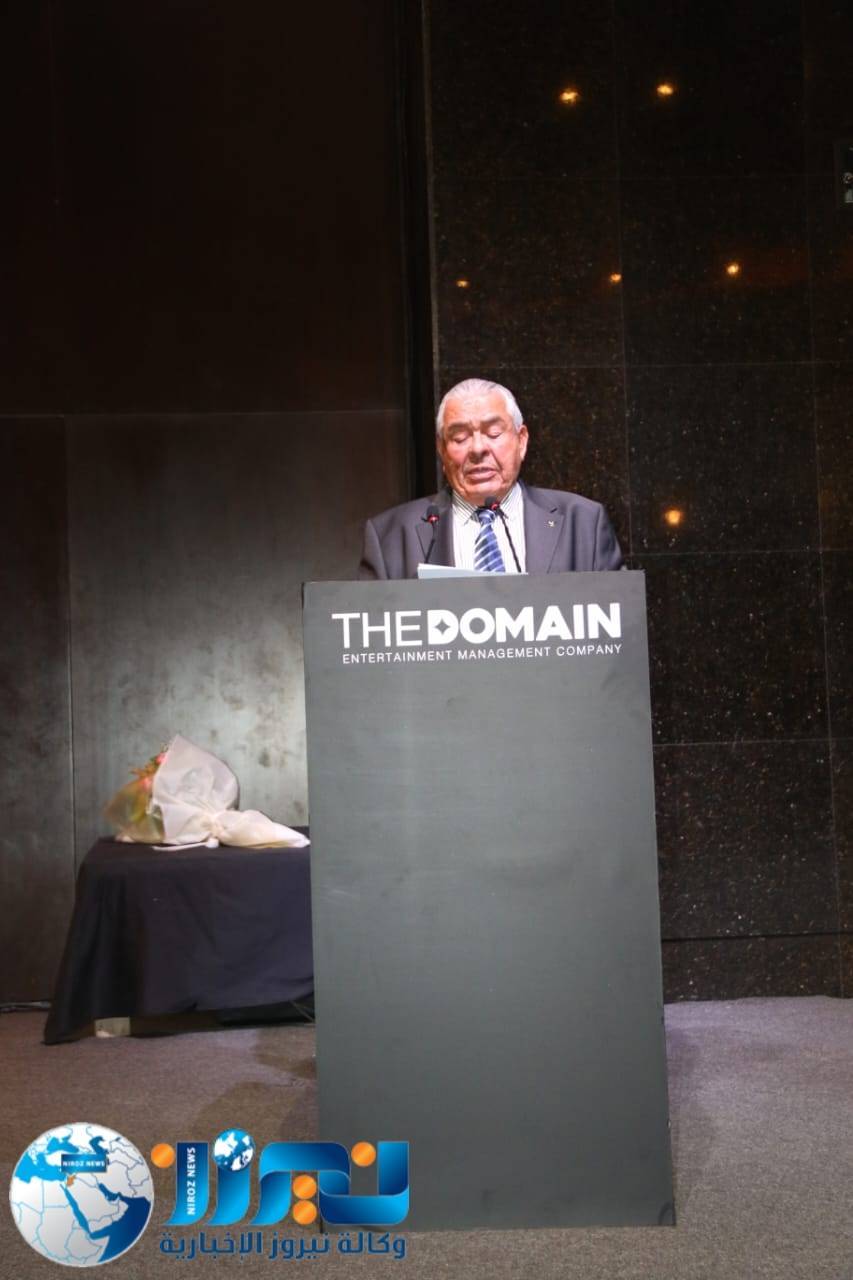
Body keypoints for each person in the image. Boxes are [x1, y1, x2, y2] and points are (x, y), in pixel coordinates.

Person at [358, 378, 623, 579]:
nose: (477, 449)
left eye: (494, 433)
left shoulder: (583, 522)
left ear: (521, 441)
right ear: (442, 450)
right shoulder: (391, 536)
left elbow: (619, 622)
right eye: (460, 437)